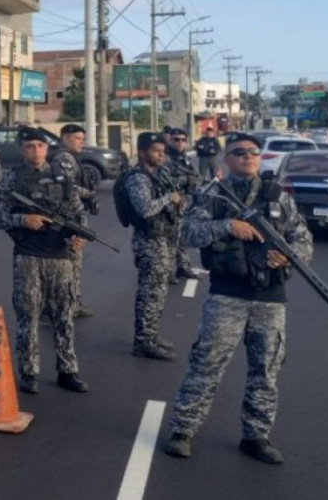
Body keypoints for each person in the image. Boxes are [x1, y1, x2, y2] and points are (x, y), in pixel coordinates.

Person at [164, 132, 313, 464]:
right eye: (240, 152)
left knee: (266, 371)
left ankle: (256, 436)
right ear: (226, 159)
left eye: (254, 152)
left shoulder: (279, 197)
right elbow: (186, 233)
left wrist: (288, 256)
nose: (248, 157)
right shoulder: (212, 195)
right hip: (227, 295)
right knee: (206, 364)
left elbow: (303, 239)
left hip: (270, 298)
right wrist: (227, 226)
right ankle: (183, 430)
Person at [0, 126, 89, 395]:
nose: (36, 151)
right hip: (28, 256)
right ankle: (29, 371)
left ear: (47, 148)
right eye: (30, 147)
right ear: (22, 150)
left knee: (64, 316)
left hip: (61, 257)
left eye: (40, 146)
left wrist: (80, 237)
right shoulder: (12, 178)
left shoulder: (63, 177)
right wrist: (24, 219)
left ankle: (68, 370)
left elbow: (79, 214)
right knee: (28, 316)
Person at [124, 132, 185, 361]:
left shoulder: (158, 175)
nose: (161, 155)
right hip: (149, 242)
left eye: (162, 151)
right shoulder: (138, 178)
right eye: (155, 151)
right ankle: (143, 341)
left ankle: (151, 335)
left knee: (158, 293)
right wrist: (169, 198)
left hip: (163, 239)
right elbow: (145, 209)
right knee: (150, 293)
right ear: (142, 153)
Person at [52, 124, 96, 318]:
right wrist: (89, 195)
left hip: (74, 216)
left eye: (82, 139)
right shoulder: (63, 158)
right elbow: (68, 190)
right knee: (68, 264)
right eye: (77, 138)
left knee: (74, 264)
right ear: (64, 138)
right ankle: (60, 307)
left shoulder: (71, 158)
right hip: (70, 218)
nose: (81, 142)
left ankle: (74, 304)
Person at [164, 128, 201, 284]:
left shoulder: (184, 158)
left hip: (184, 202)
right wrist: (187, 180)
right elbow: (163, 180)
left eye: (183, 140)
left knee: (182, 237)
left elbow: (194, 176)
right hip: (170, 203)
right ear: (170, 140)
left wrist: (194, 182)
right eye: (176, 139)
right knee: (170, 239)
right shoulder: (164, 158)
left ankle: (183, 267)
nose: (180, 143)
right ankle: (167, 272)